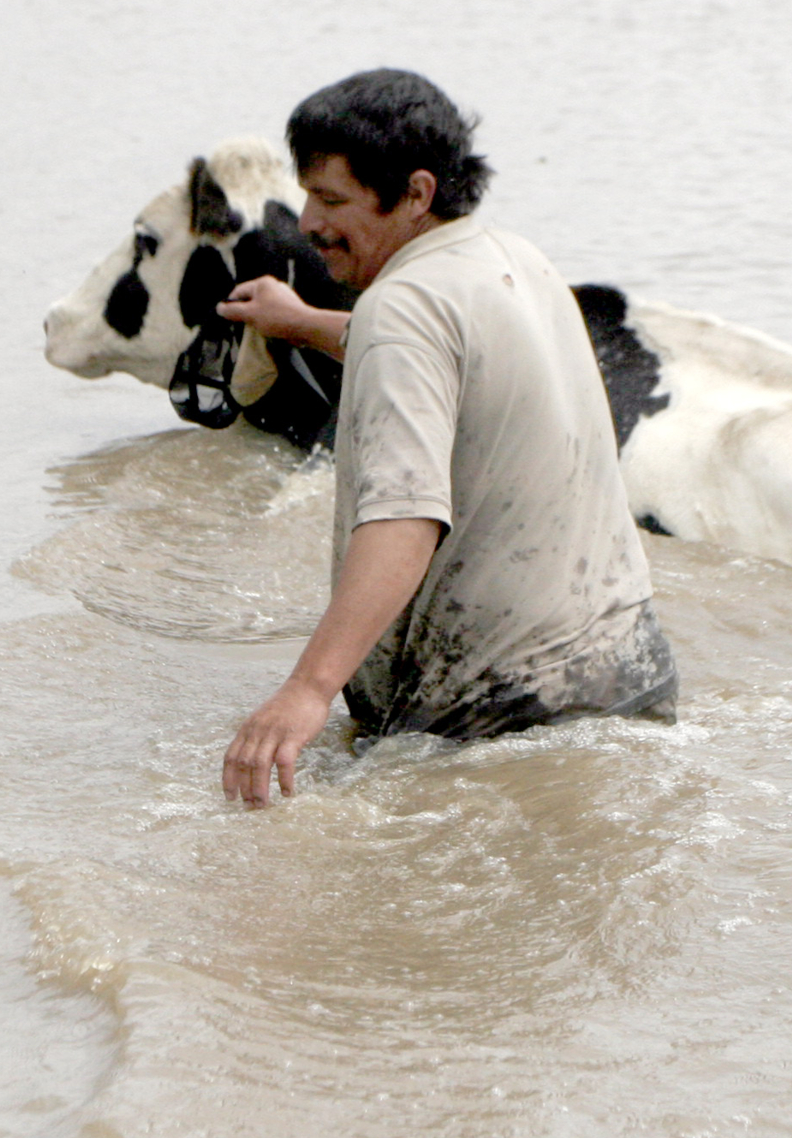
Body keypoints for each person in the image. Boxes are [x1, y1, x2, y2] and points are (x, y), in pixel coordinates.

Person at [215, 69, 677, 806]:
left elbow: (405, 516)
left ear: (418, 194)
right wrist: (303, 323)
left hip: (499, 716)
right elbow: (449, 361)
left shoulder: (402, 309)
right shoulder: (514, 260)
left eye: (332, 200)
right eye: (306, 194)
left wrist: (306, 690)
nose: (306, 222)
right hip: (628, 677)